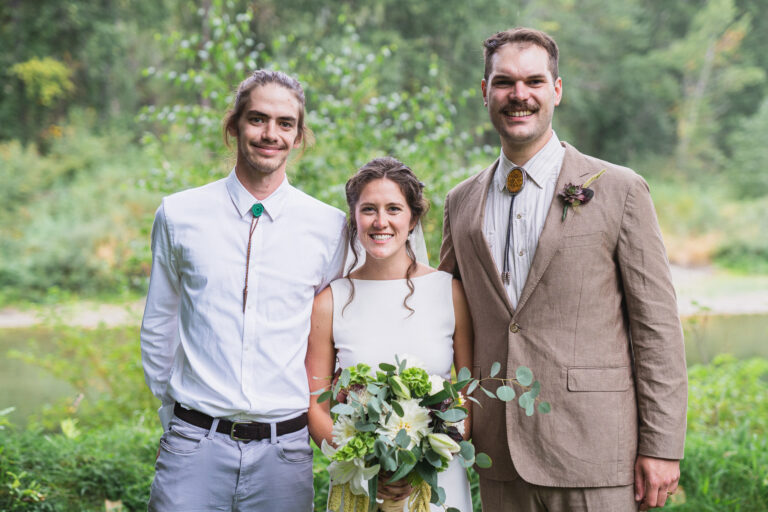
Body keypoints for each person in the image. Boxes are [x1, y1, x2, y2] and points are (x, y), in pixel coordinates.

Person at [439, 28, 687, 511]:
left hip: (596, 451)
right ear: (485, 91)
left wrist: (661, 445)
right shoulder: (461, 202)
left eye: (534, 81)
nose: (519, 95)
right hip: (499, 453)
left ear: (556, 90)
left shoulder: (620, 190)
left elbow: (656, 327)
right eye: (504, 82)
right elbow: (444, 317)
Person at [140, 70, 347, 511]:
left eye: (285, 123)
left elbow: (333, 338)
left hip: (284, 454)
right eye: (257, 119)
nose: (271, 134)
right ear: (233, 125)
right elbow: (159, 324)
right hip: (193, 445)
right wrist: (175, 419)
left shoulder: (329, 227)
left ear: (298, 136)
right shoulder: (179, 214)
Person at [306, 157, 474, 511]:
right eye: (369, 209)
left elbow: (468, 395)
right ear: (354, 217)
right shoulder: (330, 302)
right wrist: (364, 463)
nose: (380, 222)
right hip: (359, 482)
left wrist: (423, 461)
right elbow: (316, 404)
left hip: (436, 479)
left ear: (412, 219)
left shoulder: (450, 292)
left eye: (393, 209)